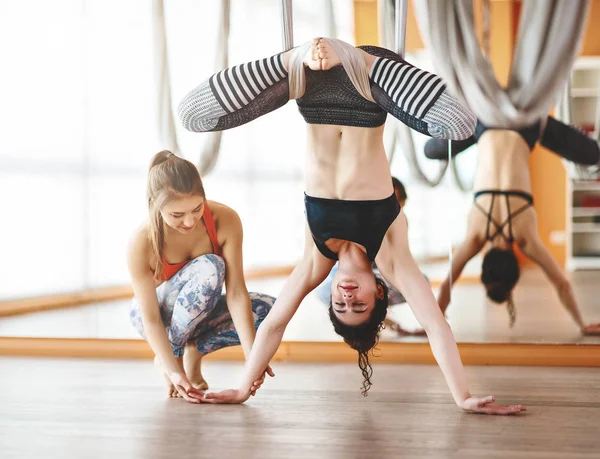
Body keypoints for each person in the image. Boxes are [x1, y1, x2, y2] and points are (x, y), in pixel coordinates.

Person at [178, 38, 525, 414]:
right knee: (461, 125)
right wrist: (463, 397)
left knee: (192, 115)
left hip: (311, 88)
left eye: (341, 305)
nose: (346, 295)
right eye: (357, 303)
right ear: (378, 292)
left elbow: (275, 324)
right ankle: (358, 58)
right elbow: (437, 326)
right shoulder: (390, 254)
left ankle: (290, 58)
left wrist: (244, 387)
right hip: (368, 86)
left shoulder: (316, 259)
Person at [127, 150, 276, 403]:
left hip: (199, 313)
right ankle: (172, 358)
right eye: (176, 215)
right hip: (153, 317)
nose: (189, 221)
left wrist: (254, 358)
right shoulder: (140, 243)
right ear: (155, 204)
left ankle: (193, 351)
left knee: (269, 310)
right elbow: (151, 318)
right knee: (210, 266)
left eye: (196, 209)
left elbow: (237, 292)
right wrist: (173, 370)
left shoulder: (225, 220)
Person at [429, 120, 600, 334]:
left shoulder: (525, 237)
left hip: (527, 128)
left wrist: (582, 325)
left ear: (516, 266)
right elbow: (447, 285)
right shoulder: (476, 237)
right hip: (484, 125)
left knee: (593, 155)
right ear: (484, 261)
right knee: (430, 151)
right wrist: (431, 326)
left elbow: (562, 284)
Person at [315, 177, 426, 336]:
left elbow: (401, 264)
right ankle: (376, 320)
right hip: (357, 270)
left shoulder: (397, 224)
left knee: (417, 283)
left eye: (396, 202)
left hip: (381, 271)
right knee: (325, 290)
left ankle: (376, 317)